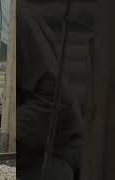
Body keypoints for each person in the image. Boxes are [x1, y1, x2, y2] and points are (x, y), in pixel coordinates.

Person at [17, 4, 83, 180]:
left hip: (51, 154)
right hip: (29, 150)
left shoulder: (19, 19)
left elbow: (55, 100)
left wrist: (7, 131)